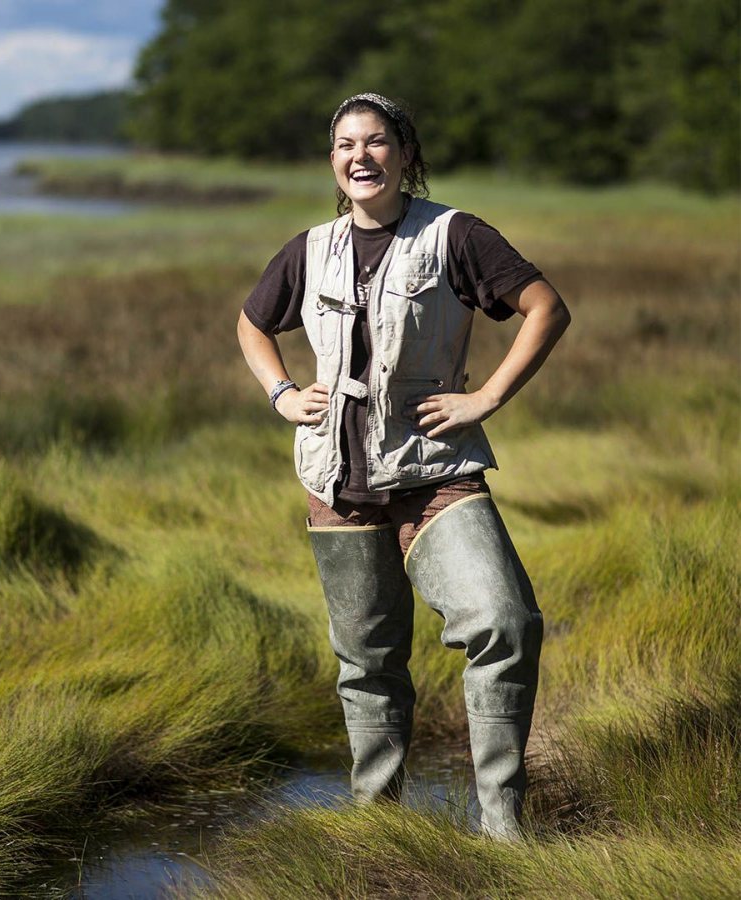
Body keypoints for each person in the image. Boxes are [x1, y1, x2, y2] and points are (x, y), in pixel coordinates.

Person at [236, 92, 570, 840]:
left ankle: (502, 832)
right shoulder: (308, 248)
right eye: (346, 145)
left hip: (435, 474)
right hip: (337, 486)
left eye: (377, 141)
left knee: (507, 624)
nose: (361, 156)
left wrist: (484, 396)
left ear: (405, 154)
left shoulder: (455, 236)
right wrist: (283, 392)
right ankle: (377, 829)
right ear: (333, 162)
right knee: (368, 666)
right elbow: (253, 322)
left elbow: (546, 307)